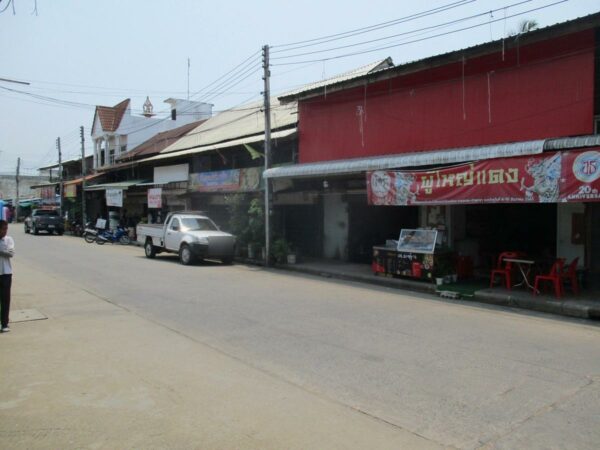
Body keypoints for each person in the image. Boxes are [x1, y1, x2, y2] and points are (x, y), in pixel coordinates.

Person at [0, 220, 15, 333]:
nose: (5, 231)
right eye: (3, 229)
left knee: (5, 299)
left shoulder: (8, 240)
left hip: (6, 273)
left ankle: (4, 323)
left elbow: (10, 253)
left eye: (6, 229)